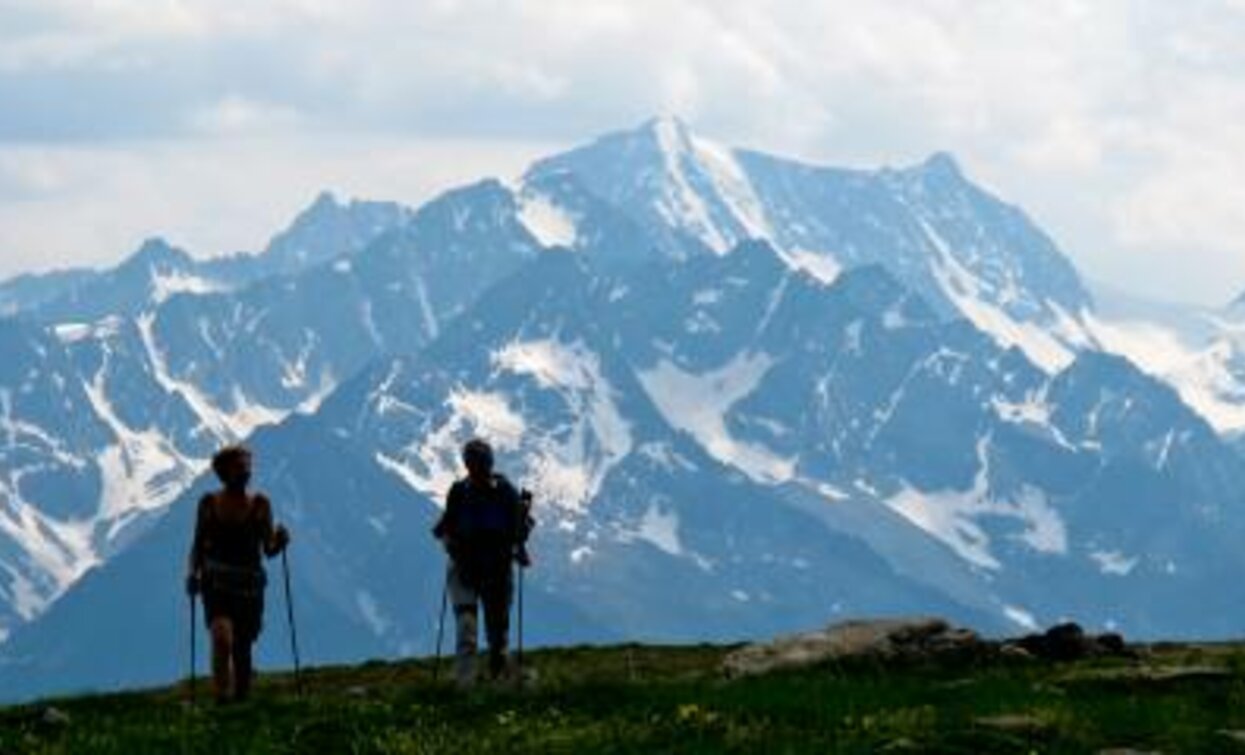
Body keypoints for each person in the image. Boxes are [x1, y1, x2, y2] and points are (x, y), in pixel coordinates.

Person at [186, 445, 291, 704]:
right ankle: (222, 697)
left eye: (247, 466)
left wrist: (280, 540)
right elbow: (197, 544)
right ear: (225, 472)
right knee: (222, 637)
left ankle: (240, 699)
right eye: (240, 467)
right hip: (216, 584)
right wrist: (192, 573)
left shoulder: (261, 505)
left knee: (242, 648)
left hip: (249, 588)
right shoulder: (208, 504)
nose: (245, 472)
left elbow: (268, 549)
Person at [432, 438, 534, 688]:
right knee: (470, 626)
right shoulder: (466, 492)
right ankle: (470, 684)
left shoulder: (497, 492)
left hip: (488, 570)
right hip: (473, 568)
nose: (476, 469)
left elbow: (441, 529)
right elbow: (519, 531)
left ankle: (491, 677)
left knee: (493, 634)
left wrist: (448, 539)